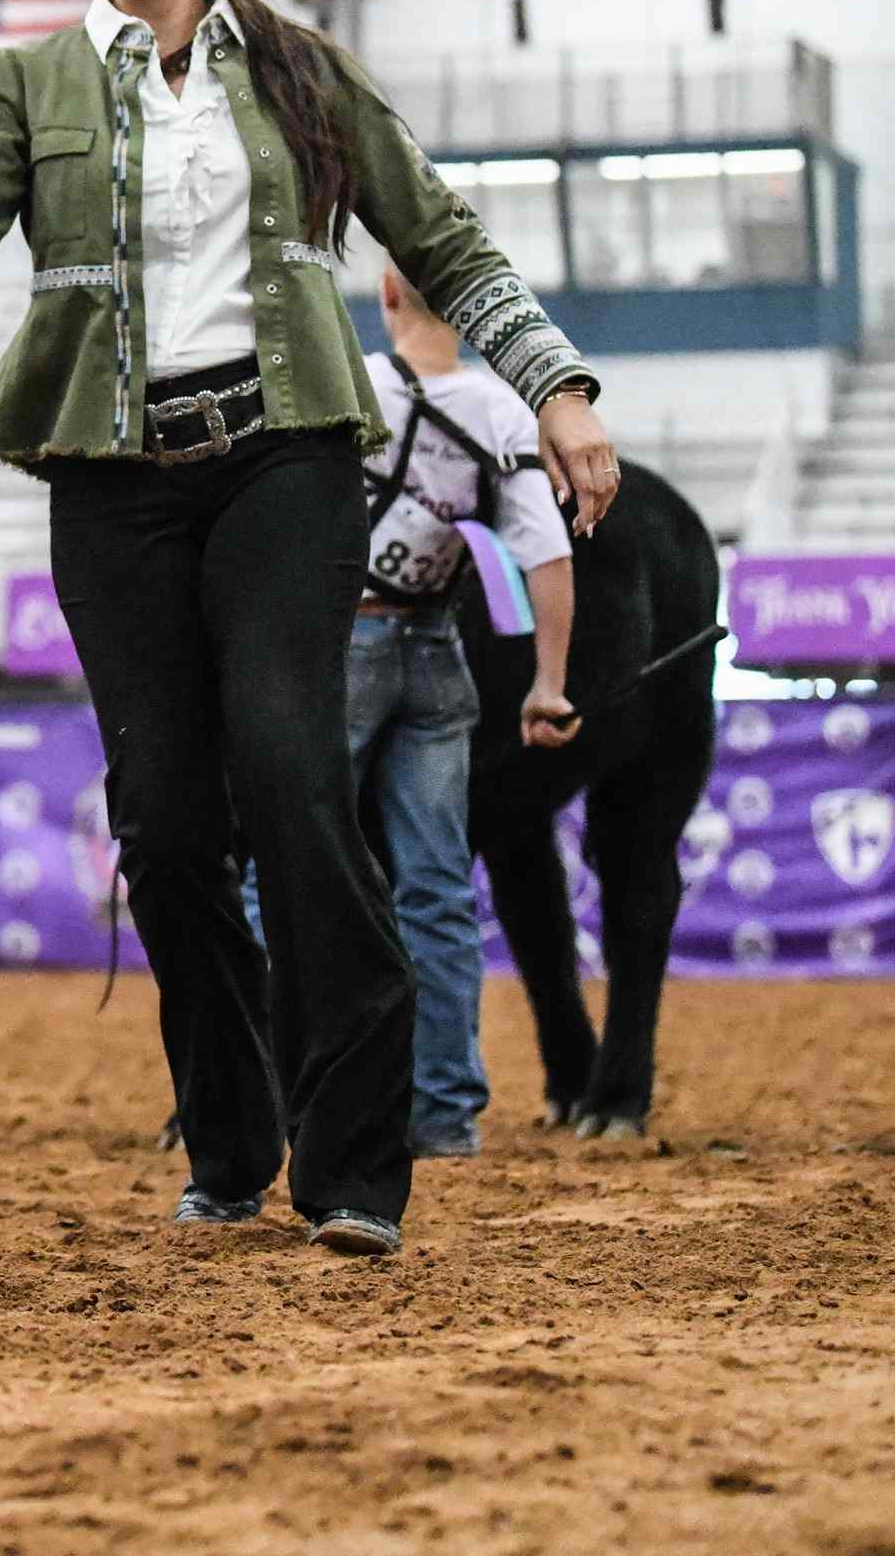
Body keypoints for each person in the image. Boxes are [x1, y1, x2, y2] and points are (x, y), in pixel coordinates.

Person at [0, 0, 620, 1258]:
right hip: (111, 486)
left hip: (283, 463)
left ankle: (356, 1161)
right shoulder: (28, 82)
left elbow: (447, 244)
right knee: (164, 829)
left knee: (295, 779)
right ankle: (231, 1139)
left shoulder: (303, 75)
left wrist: (557, 389)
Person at [239, 266, 583, 1161]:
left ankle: (262, 1096)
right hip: (437, 653)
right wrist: (548, 683)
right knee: (435, 893)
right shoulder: (505, 414)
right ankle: (444, 1115)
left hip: (335, 651)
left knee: (275, 877)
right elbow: (545, 556)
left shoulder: (344, 379)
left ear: (388, 293)